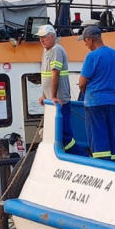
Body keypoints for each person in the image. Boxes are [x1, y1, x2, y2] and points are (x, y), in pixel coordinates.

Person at [37, 24, 83, 156]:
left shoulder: (56, 50)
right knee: (57, 133)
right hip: (51, 101)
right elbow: (46, 76)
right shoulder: (46, 50)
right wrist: (44, 95)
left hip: (59, 101)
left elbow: (55, 74)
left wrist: (53, 96)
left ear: (53, 36)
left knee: (65, 136)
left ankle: (82, 157)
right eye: (40, 37)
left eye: (44, 37)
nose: (41, 40)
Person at [77, 25, 115, 161]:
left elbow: (82, 82)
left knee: (98, 136)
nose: (85, 45)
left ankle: (101, 164)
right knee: (110, 134)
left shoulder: (92, 56)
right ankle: (113, 162)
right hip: (111, 101)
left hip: (94, 102)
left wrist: (85, 93)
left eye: (85, 41)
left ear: (90, 40)